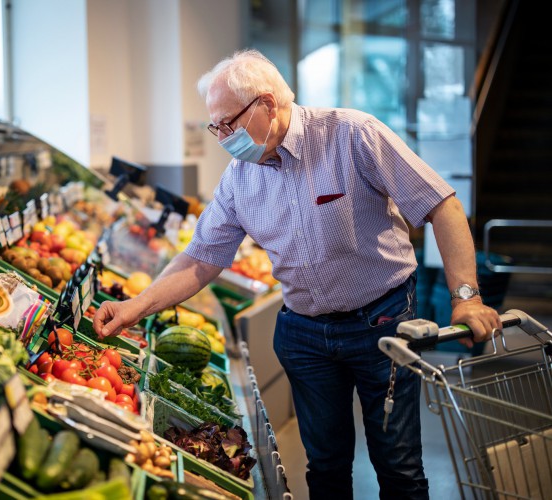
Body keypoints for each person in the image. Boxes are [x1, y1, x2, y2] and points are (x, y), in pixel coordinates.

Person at [93, 49, 502, 499]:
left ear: (267, 104)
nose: (223, 137)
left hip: (382, 322)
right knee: (324, 466)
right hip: (305, 333)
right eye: (216, 127)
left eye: (229, 123)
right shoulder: (239, 179)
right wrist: (135, 307)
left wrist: (466, 296)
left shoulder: (352, 134)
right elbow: (200, 259)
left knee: (398, 465)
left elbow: (441, 204)